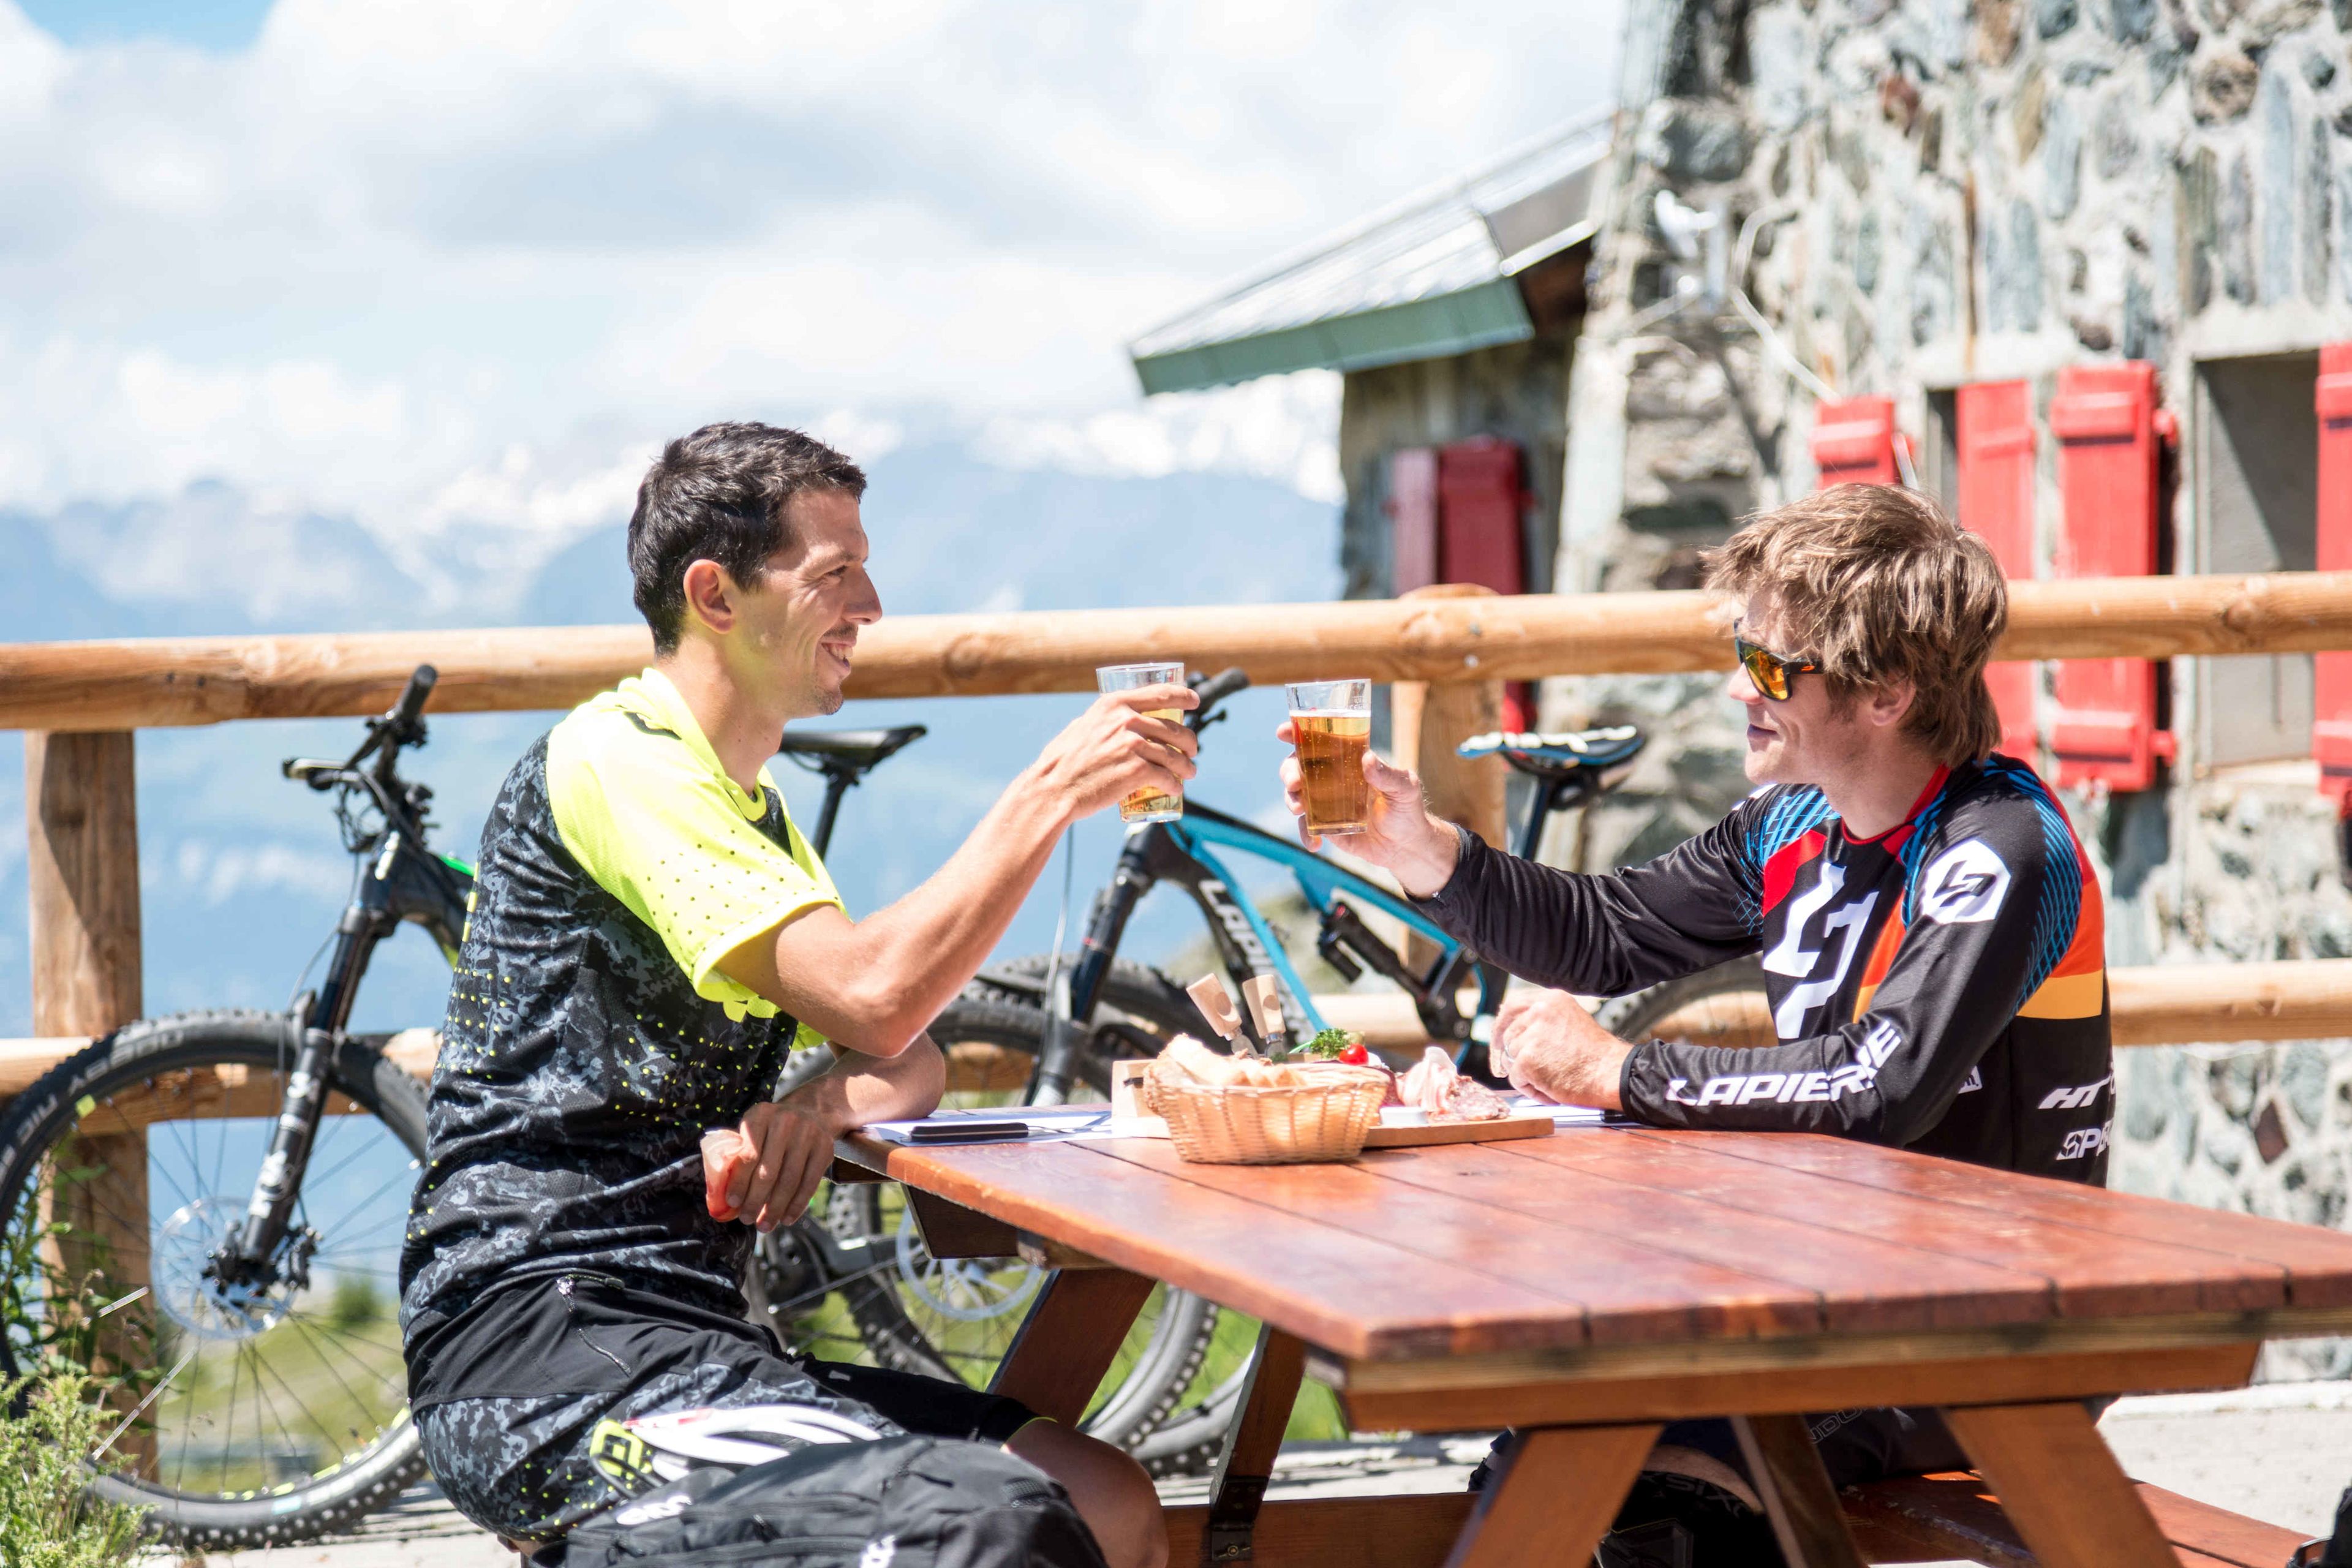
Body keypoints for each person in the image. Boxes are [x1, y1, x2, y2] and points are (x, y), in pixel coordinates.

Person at [398, 422, 1186, 1568]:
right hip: (542, 1347)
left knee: (1104, 1498)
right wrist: (1048, 793)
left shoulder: (747, 816)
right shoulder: (621, 760)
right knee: (991, 1526)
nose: (871, 602)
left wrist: (819, 1104)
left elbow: (904, 1049)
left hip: (692, 1331)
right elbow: (876, 994)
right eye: (834, 573)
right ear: (714, 594)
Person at [1280, 484, 2111, 1561]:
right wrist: (1421, 852)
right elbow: (1604, 931)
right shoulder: (1793, 822)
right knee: (1561, 1444)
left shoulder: (2001, 847)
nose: (1737, 687)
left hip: (1994, 1327)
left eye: (1770, 667)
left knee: (1621, 1475)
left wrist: (1619, 1071)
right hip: (1843, 1294)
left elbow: (1879, 1088)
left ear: (1889, 694)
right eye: (1741, 650)